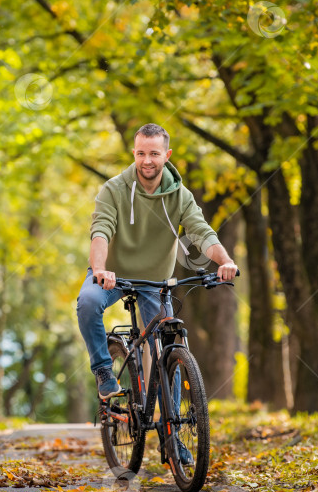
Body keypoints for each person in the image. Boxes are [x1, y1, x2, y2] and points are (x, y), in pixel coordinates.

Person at [76, 123, 238, 464]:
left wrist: (225, 261)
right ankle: (104, 370)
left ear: (166, 154)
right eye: (140, 153)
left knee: (171, 348)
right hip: (112, 276)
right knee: (88, 302)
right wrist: (101, 270)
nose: (146, 160)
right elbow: (100, 231)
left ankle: (171, 436)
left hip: (156, 282)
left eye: (153, 153)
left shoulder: (180, 196)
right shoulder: (114, 189)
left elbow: (200, 231)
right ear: (133, 153)